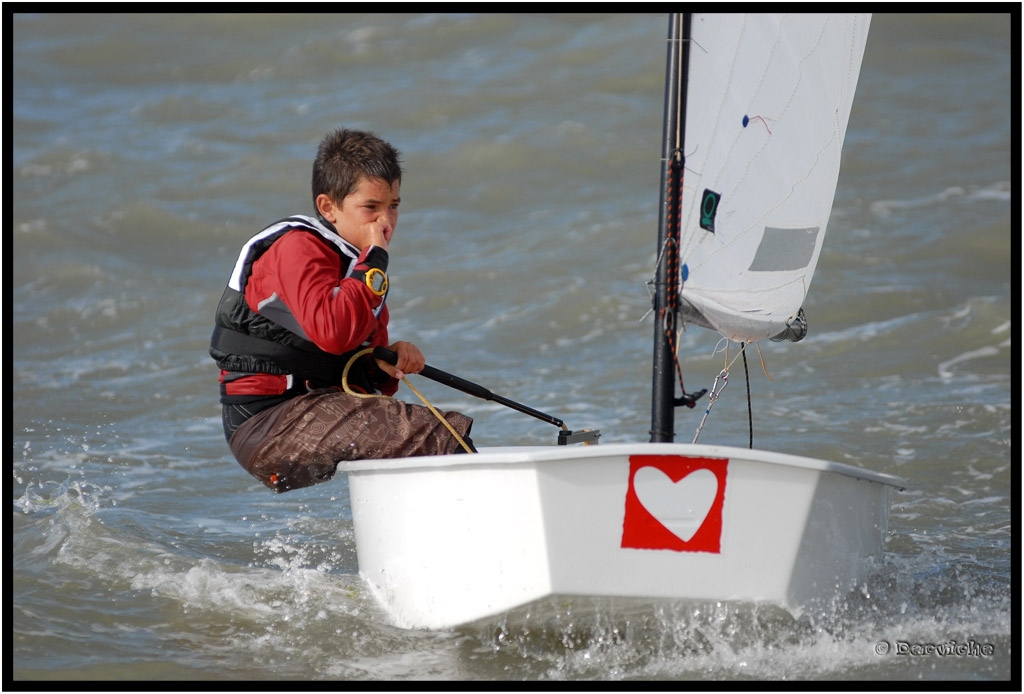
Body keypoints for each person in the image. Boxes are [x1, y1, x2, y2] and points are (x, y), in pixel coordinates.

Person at [210, 128, 474, 493]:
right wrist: (375, 259)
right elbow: (333, 332)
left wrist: (387, 360)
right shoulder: (299, 248)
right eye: (371, 207)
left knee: (416, 438)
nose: (386, 222)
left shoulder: (357, 270)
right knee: (437, 435)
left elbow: (358, 374)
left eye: (393, 206)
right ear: (328, 207)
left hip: (310, 410)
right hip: (265, 425)